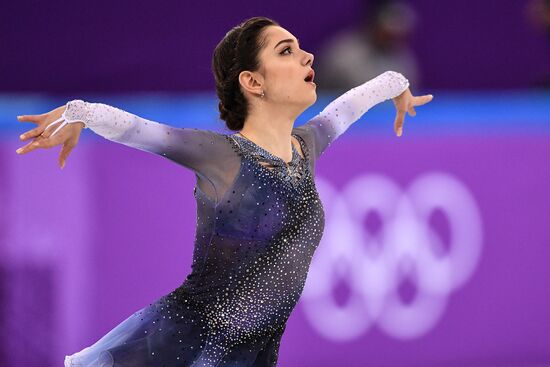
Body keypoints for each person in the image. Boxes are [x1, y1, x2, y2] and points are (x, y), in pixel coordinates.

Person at [15, 16, 432, 367]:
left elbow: (357, 100)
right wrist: (77, 114)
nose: (307, 56)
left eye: (301, 48)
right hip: (179, 350)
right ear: (252, 81)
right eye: (286, 51)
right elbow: (137, 130)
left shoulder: (308, 146)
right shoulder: (222, 157)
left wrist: (397, 85)